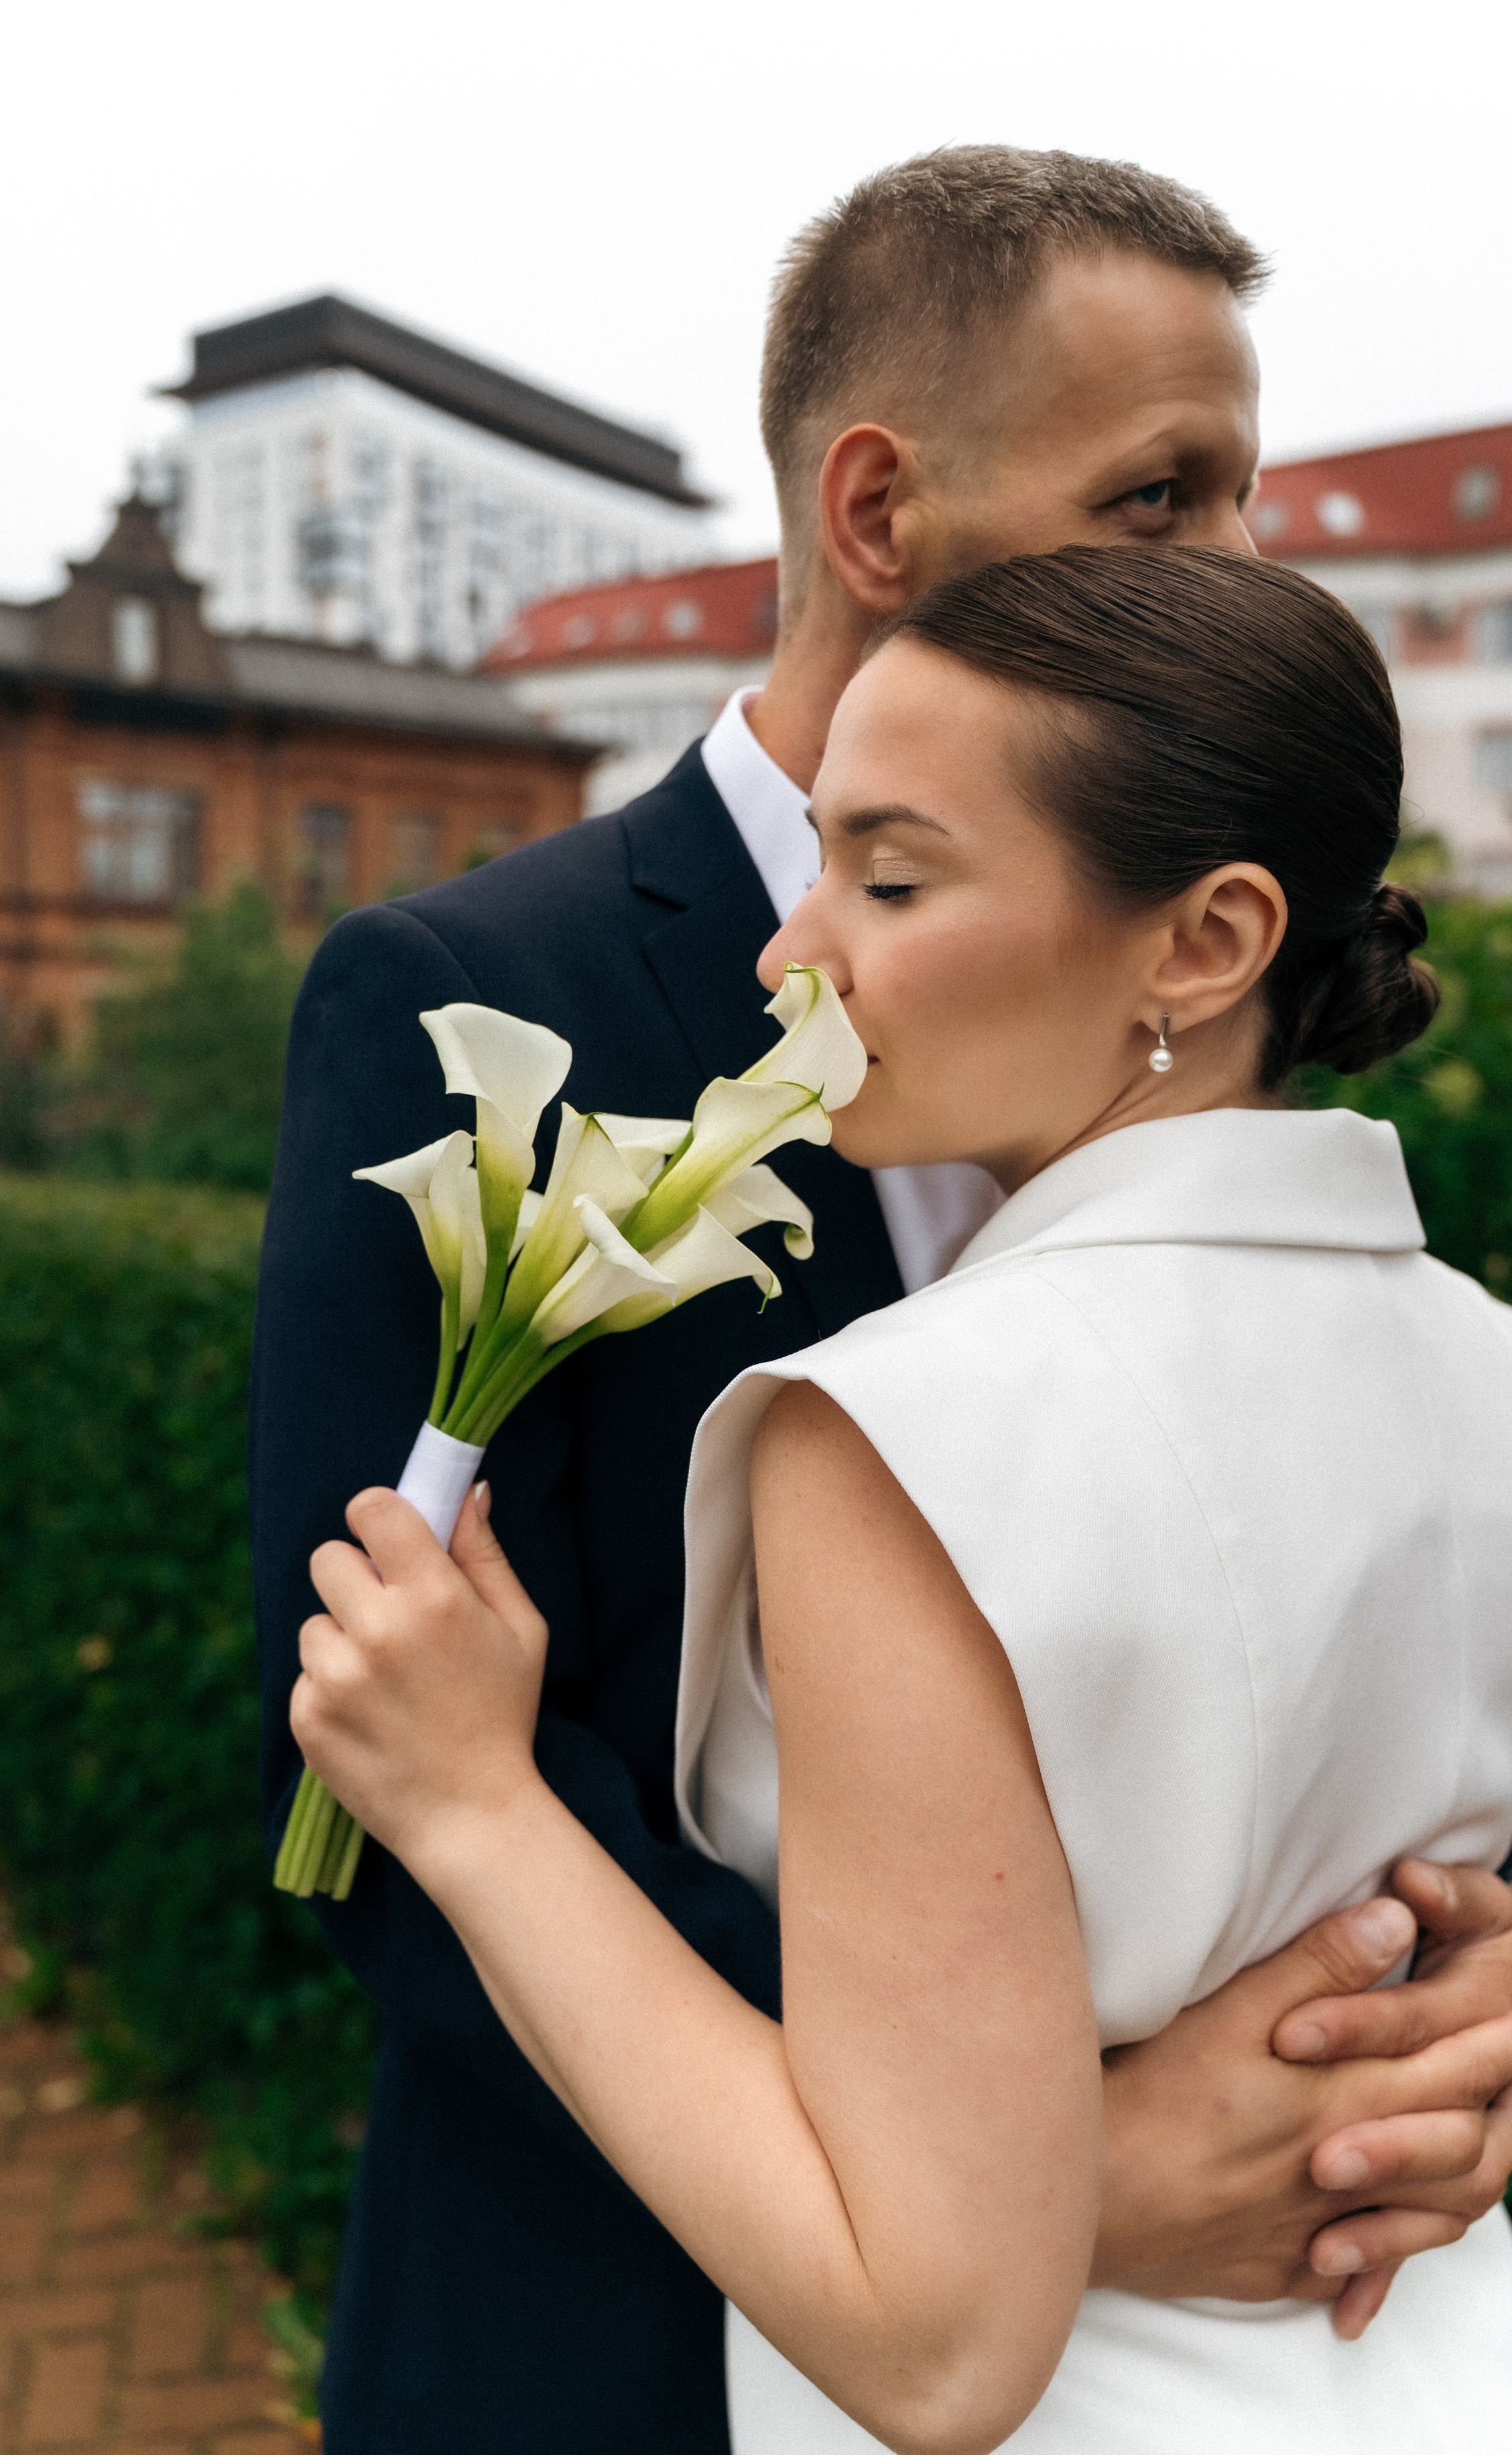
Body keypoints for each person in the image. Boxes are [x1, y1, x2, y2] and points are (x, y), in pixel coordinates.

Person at [251, 149, 1512, 2451]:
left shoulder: (1302, 1218)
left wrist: (1437, 2005)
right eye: (1164, 503)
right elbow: (349, 1776)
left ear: (1211, 951)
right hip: (616, 2339)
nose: (1248, 573)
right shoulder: (464, 992)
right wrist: (1041, 2163)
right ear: (874, 515)